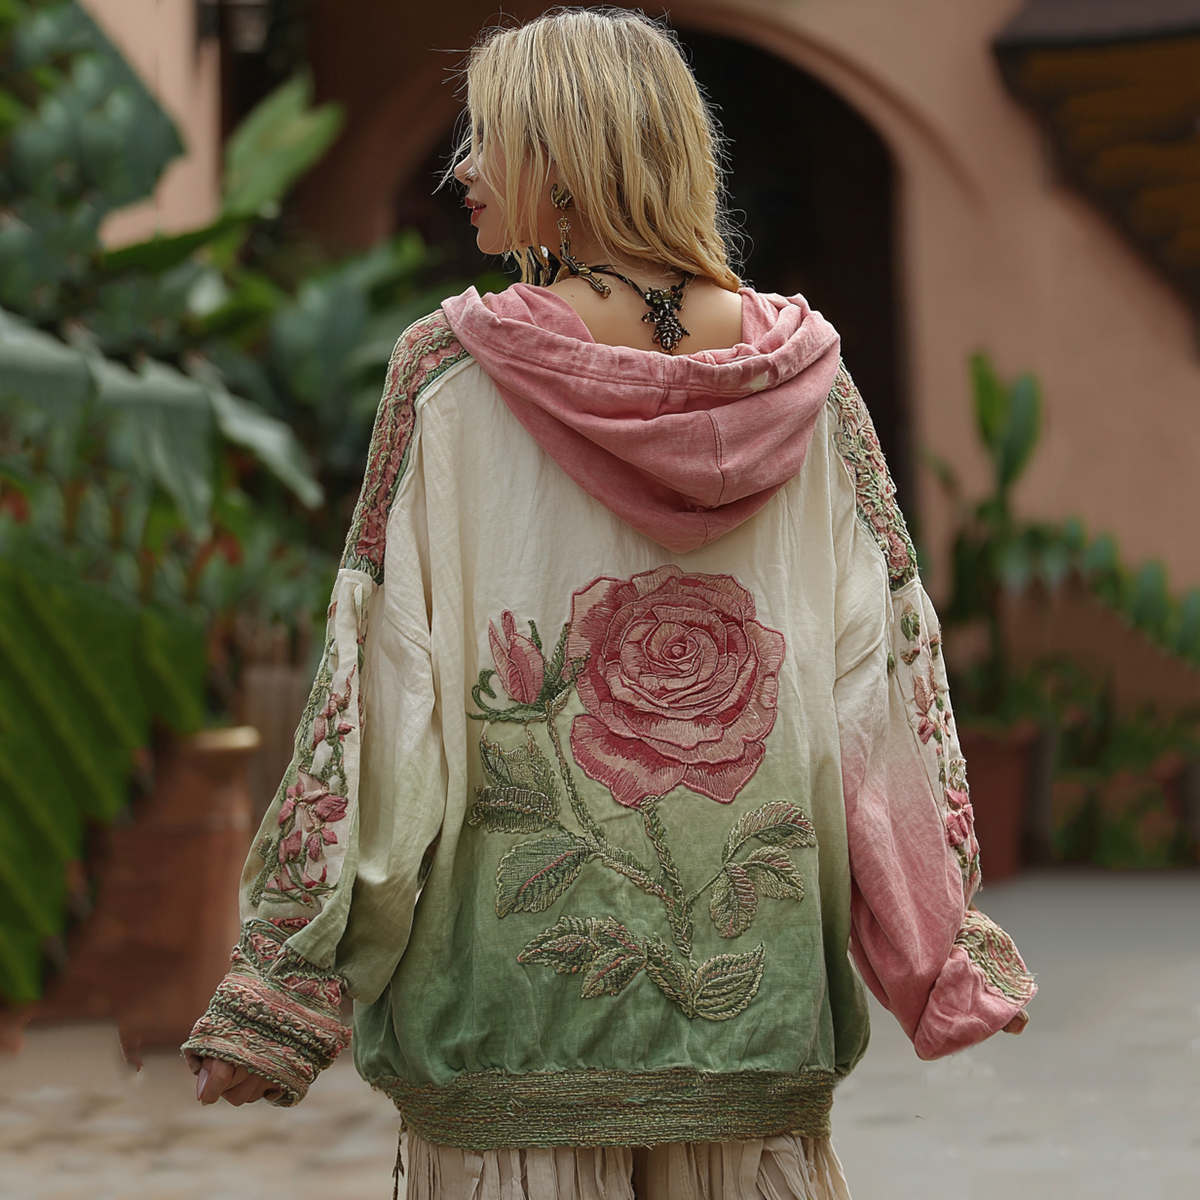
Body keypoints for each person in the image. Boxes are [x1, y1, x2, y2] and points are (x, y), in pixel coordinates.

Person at [183, 9, 1034, 1198]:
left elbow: (386, 693)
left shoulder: (451, 380)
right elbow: (877, 686)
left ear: (565, 162)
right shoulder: (810, 387)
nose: (462, 170)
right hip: (756, 1025)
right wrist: (935, 950)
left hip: (507, 1032)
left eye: (487, 138)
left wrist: (289, 981)